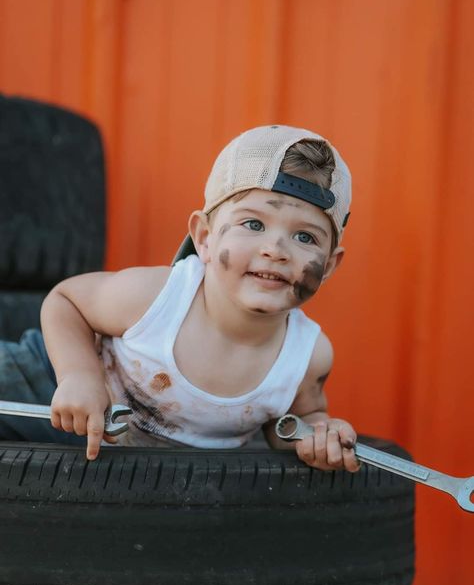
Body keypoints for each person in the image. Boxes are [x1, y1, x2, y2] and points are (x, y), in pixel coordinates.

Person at [0, 125, 359, 472]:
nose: (275, 250)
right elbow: (67, 301)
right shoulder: (157, 298)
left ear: (328, 265)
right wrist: (78, 377)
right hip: (38, 386)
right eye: (253, 224)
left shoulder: (308, 356)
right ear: (204, 237)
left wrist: (316, 434)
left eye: (305, 238)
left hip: (120, 466)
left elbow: (292, 421)